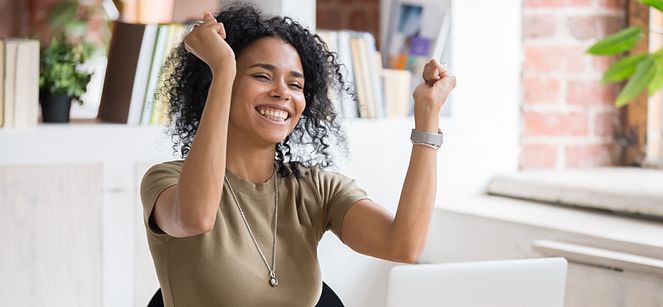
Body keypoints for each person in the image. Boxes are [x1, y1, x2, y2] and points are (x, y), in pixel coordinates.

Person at [140, 3, 455, 307]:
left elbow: (403, 245)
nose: (282, 93)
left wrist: (427, 117)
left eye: (295, 84)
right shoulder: (168, 180)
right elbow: (196, 217)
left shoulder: (315, 187)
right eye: (262, 76)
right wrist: (222, 68)